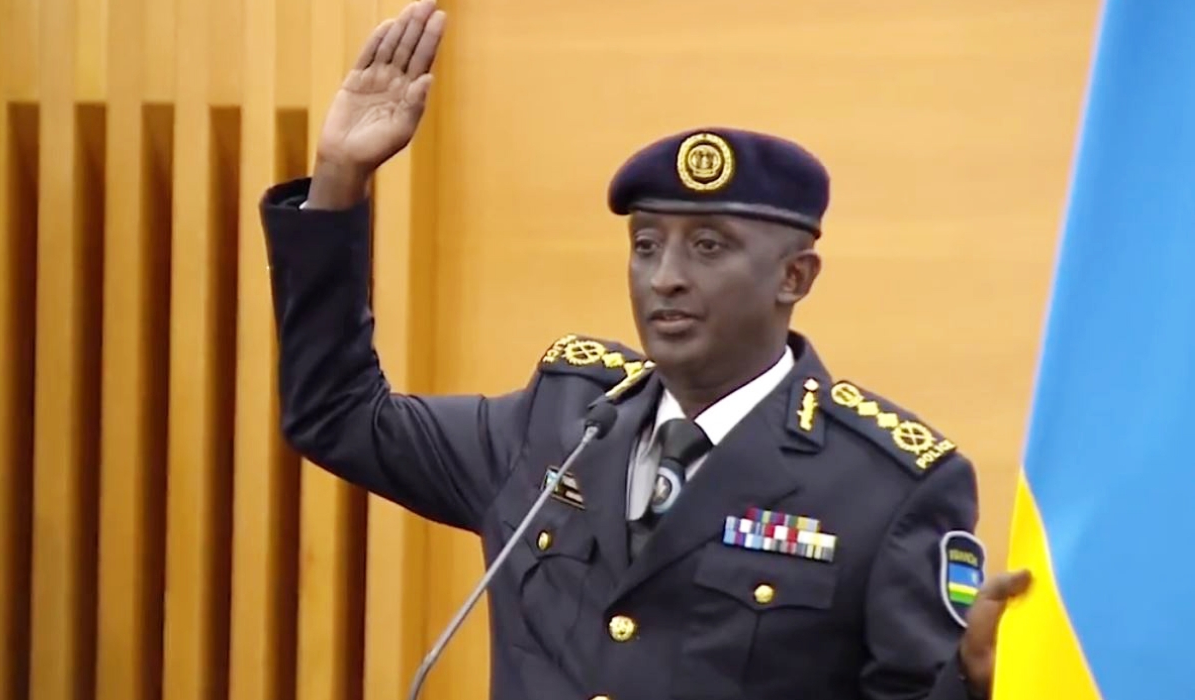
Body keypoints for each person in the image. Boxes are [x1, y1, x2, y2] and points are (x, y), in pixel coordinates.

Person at [259, 2, 1031, 699]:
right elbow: (338, 414)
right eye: (645, 245)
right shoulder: (558, 423)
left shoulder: (884, 487)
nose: (665, 278)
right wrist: (339, 179)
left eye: (707, 247)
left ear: (794, 277)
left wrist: (968, 685)